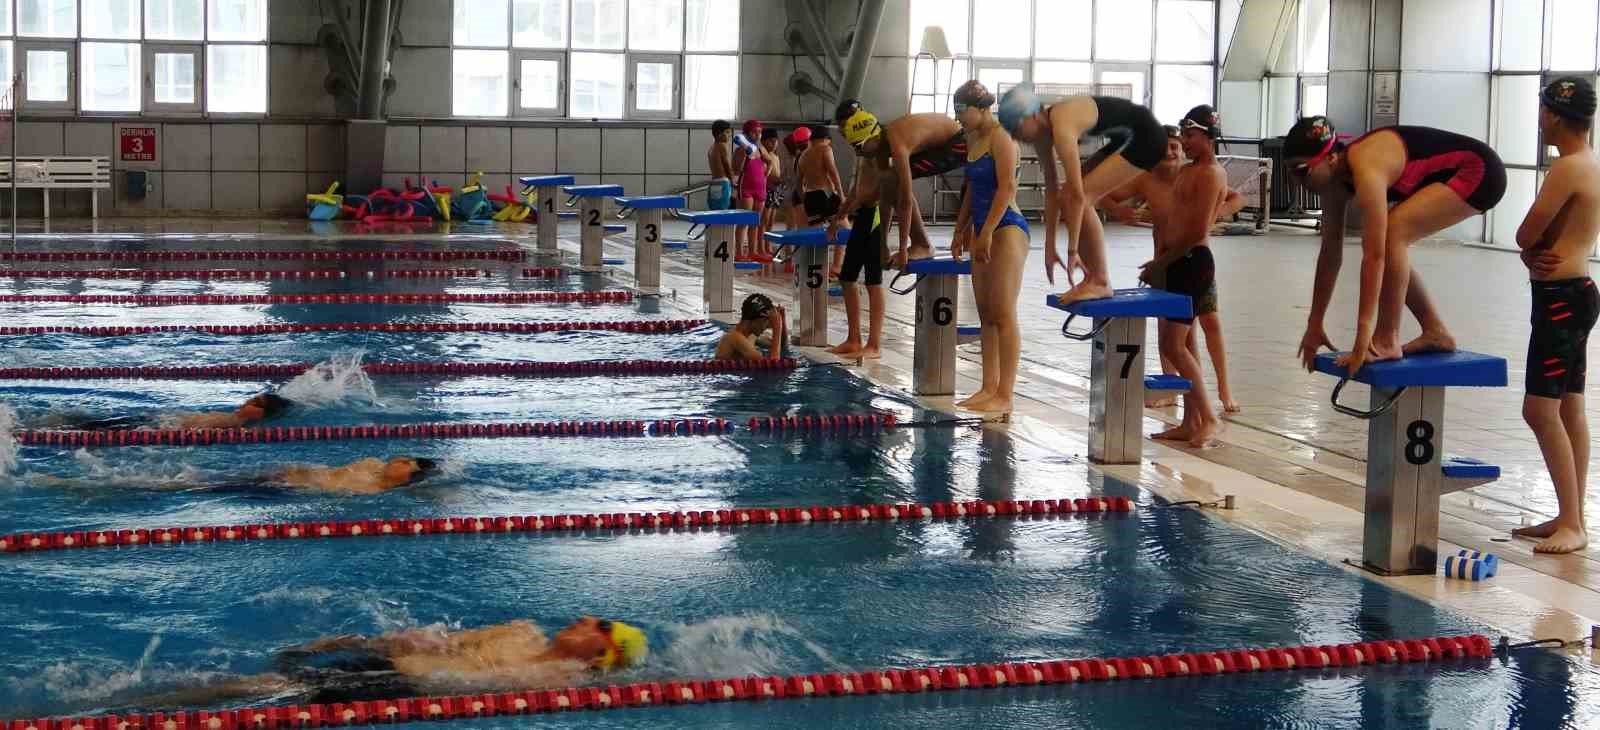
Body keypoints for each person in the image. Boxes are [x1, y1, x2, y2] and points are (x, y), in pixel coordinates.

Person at [1282, 117, 1506, 375]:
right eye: (1291, 174)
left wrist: (1364, 335)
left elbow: (1374, 256)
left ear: (1330, 157)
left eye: (1301, 171)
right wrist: (1315, 323)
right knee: (1393, 235)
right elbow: (1330, 254)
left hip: (1479, 169)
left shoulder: (1366, 165)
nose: (1298, 182)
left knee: (1393, 232)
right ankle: (1435, 331)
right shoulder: (1334, 183)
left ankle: (1387, 338)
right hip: (1452, 174)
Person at [126, 617, 648, 708]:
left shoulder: (561, 677)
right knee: (263, 681)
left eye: (599, 626)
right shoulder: (523, 630)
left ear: (602, 655)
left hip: (392, 692)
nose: (585, 618)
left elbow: (461, 682)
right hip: (385, 669)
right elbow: (448, 642)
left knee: (255, 690)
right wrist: (389, 642)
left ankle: (142, 703)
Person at [1510, 77, 1600, 555]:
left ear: (1553, 116)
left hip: (1561, 299)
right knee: (1569, 408)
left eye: (1543, 110)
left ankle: (1572, 524)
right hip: (1578, 290)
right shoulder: (1590, 163)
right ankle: (1571, 516)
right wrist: (1532, 255)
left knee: (1539, 409)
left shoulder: (1566, 168)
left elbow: (1528, 233)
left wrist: (1528, 251)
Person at [1099, 120, 1244, 414]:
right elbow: (1104, 196)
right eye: (1165, 148)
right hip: (1166, 265)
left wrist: (1213, 214)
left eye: (1178, 145)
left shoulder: (1201, 174)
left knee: (1206, 324)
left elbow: (1233, 199)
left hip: (1190, 261)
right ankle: (1184, 395)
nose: (1173, 152)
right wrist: (1121, 210)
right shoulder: (1148, 180)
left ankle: (1218, 394)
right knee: (1174, 337)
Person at [997, 86, 1167, 305]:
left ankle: (1099, 280)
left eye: (1016, 128)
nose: (1015, 137)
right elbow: (1052, 192)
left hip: (1146, 136)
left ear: (1032, 115)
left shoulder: (1062, 124)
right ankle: (1095, 278)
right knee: (1069, 194)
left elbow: (1077, 196)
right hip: (1123, 137)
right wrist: (1049, 247)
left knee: (1079, 196)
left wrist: (1072, 250)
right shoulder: (1042, 135)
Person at [1135, 106, 1229, 447]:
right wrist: (1161, 260)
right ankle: (1190, 421)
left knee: (1173, 345)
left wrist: (1163, 262)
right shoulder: (1188, 171)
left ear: (1208, 136)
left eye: (1190, 136)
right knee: (1181, 345)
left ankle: (1210, 417)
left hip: (1193, 262)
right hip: (1176, 261)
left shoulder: (1210, 175)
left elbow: (1199, 230)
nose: (1185, 142)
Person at [950, 81, 1029, 413]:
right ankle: (987, 387)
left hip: (1007, 227)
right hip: (982, 228)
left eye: (962, 112)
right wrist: (960, 228)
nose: (958, 119)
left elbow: (1005, 187)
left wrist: (986, 233)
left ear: (981, 108)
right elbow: (971, 189)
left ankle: (1005, 394)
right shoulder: (974, 138)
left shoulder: (1002, 137)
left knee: (1003, 312)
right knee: (985, 314)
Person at [834, 101, 967, 268]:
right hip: (941, 143)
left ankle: (923, 245)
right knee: (889, 179)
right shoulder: (881, 144)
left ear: (871, 137)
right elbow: (884, 199)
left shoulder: (897, 146)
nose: (857, 152)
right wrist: (882, 246)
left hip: (958, 144)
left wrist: (903, 248)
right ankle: (914, 243)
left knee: (896, 178)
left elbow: (905, 202)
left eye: (858, 146)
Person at [36, 456, 439, 496]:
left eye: (405, 462)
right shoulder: (370, 465)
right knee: (197, 477)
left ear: (408, 477)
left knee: (190, 486)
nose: (396, 459)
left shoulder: (373, 494)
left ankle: (85, 486)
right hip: (279, 477)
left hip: (278, 492)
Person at [827, 115, 890, 360]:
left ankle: (874, 344)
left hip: (874, 218)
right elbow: (856, 190)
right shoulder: (864, 153)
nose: (856, 149)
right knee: (847, 277)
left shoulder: (881, 153)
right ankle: (854, 339)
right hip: (861, 217)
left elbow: (885, 188)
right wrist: (838, 217)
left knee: (873, 281)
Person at [57, 392, 292, 431]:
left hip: (157, 427)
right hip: (155, 422)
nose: (247, 401)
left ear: (259, 414)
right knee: (86, 422)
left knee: (87, 427)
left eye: (255, 401)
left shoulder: (237, 422)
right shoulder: (234, 418)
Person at [797, 124, 845, 274]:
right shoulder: (825, 149)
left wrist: (805, 199)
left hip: (810, 195)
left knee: (814, 233)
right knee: (845, 228)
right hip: (825, 194)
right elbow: (833, 171)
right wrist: (841, 194)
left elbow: (799, 182)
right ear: (826, 139)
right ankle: (836, 267)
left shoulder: (803, 155)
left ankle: (812, 268)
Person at [733, 120, 771, 260]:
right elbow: (736, 169)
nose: (758, 135)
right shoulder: (740, 150)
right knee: (744, 221)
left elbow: (770, 161)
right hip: (747, 188)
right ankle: (739, 252)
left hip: (760, 188)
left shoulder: (760, 149)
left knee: (756, 221)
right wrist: (744, 153)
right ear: (746, 133)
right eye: (754, 132)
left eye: (759, 132)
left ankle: (752, 251)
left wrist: (766, 175)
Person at [714, 293, 787, 361]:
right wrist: (777, 327)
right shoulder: (735, 338)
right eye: (767, 321)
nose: (766, 327)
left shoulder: (750, 336)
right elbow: (772, 365)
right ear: (760, 319)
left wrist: (782, 320)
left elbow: (782, 346)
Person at [782, 127, 812, 230]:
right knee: (799, 225)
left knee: (793, 224)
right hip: (797, 193)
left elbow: (784, 177)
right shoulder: (800, 157)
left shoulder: (792, 159)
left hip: (792, 192)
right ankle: (793, 245)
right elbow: (800, 180)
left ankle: (792, 246)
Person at [761, 128, 786, 244]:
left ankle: (767, 245)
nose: (774, 144)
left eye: (776, 141)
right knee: (764, 221)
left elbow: (777, 174)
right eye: (771, 141)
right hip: (767, 190)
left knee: (771, 222)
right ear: (763, 141)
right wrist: (781, 180)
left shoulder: (775, 157)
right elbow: (767, 175)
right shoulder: (763, 155)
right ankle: (760, 246)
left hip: (776, 191)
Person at [706, 120, 734, 211]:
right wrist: (732, 180)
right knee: (723, 211)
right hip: (723, 182)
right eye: (727, 132)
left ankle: (713, 226)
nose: (730, 135)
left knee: (715, 210)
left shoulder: (711, 148)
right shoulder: (722, 146)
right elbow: (726, 165)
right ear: (719, 134)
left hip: (714, 183)